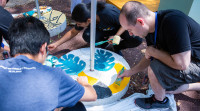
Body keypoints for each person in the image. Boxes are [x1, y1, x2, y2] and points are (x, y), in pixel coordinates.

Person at [0, 17, 97, 111]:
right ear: (43, 48)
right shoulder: (54, 76)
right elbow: (92, 95)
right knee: (76, 107)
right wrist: (84, 83)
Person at [118, 1, 200, 110]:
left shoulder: (173, 22)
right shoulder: (151, 28)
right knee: (163, 83)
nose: (130, 34)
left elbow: (182, 65)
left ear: (140, 22)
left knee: (154, 69)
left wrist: (153, 52)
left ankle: (160, 101)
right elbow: (149, 56)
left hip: (195, 61)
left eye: (130, 30)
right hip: (184, 58)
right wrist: (130, 72)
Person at [48, 2, 142, 55]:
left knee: (136, 39)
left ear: (89, 20)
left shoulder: (109, 13)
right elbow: (73, 32)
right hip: (103, 29)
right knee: (87, 36)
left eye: (79, 23)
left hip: (120, 27)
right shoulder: (86, 15)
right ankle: (104, 44)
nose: (78, 25)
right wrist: (56, 44)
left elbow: (125, 24)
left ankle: (117, 47)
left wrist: (116, 36)